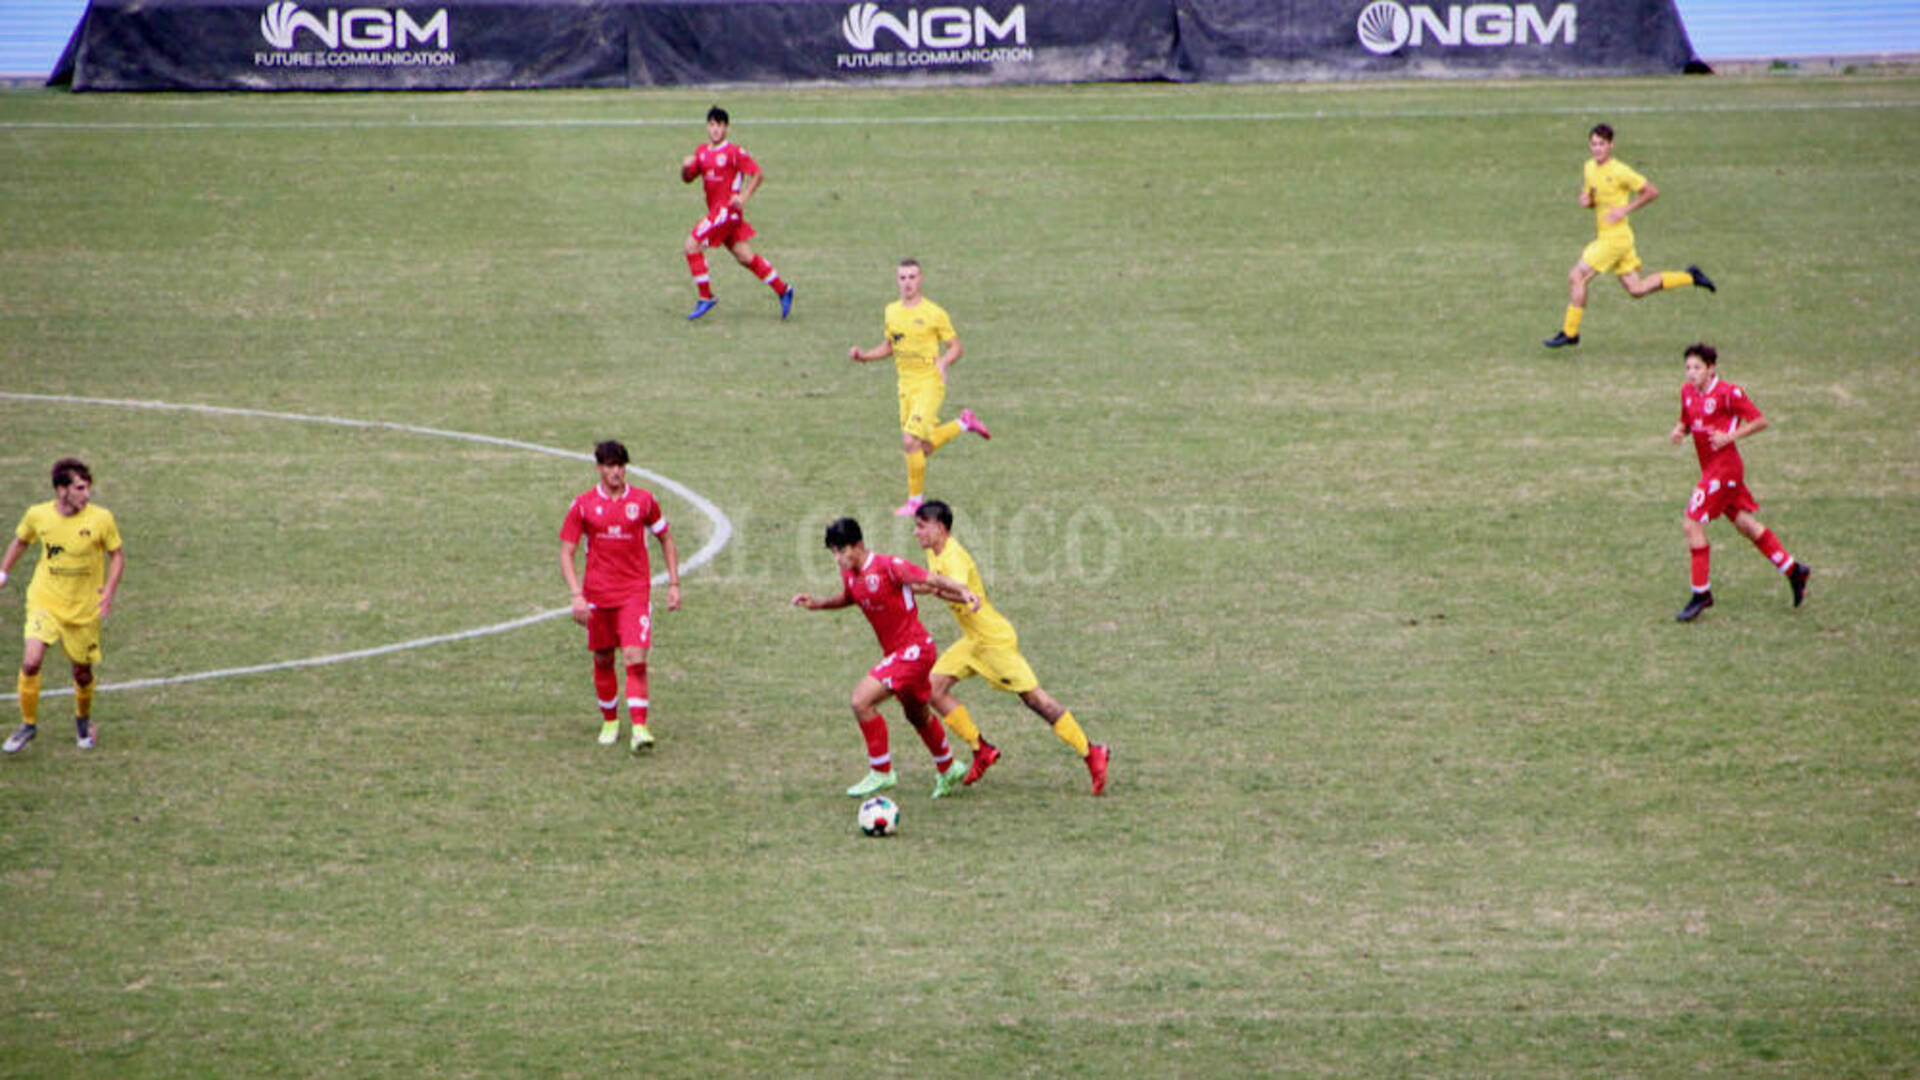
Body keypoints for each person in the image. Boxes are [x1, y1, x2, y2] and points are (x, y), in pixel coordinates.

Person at [912, 500, 1109, 795]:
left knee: (1035, 700)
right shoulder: (933, 552)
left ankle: (1091, 751)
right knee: (932, 688)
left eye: (921, 527)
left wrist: (955, 592)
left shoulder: (953, 558)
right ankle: (981, 750)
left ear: (940, 528)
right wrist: (907, 584)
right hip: (973, 641)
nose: (916, 533)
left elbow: (953, 585)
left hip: (993, 642)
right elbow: (935, 586)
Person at [791, 516, 980, 800]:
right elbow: (851, 596)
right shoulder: (850, 574)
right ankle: (948, 766)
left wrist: (963, 591)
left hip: (914, 650)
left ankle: (881, 771)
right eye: (833, 553)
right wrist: (818, 604)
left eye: (841, 551)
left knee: (861, 700)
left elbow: (931, 579)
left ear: (858, 545)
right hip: (898, 653)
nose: (838, 559)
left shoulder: (890, 566)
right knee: (917, 714)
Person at [1667, 344, 1810, 622]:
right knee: (1746, 525)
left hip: (1725, 469)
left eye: (1697, 368)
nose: (1691, 373)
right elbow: (1687, 421)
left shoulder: (1728, 393)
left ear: (1711, 369)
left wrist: (1730, 436)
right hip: (1711, 468)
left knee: (1691, 522)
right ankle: (1794, 570)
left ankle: (1701, 594)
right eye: (1688, 368)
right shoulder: (1687, 393)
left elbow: (1759, 421)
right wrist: (1679, 430)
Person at [1544, 123, 1715, 349]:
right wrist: (1587, 201)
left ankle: (1570, 331)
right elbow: (1591, 195)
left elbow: (1651, 191)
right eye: (1593, 144)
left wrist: (1625, 209)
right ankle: (1689, 276)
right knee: (1637, 289)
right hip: (1615, 238)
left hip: (1614, 239)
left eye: (1601, 144)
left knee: (1577, 275)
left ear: (1611, 145)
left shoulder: (1620, 171)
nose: (1597, 149)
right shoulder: (1589, 168)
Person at [559, 440, 682, 751]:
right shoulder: (583, 505)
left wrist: (674, 584)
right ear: (599, 468)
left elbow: (665, 538)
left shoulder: (643, 501)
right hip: (598, 594)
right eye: (610, 466)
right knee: (603, 658)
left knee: (634, 656)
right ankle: (610, 720)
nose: (616, 472)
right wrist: (576, 594)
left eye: (621, 466)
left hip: (634, 592)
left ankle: (640, 728)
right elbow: (567, 551)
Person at [849, 258, 992, 517]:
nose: (907, 282)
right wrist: (865, 356)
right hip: (905, 386)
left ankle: (915, 502)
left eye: (912, 277)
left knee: (909, 441)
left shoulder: (934, 313)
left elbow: (956, 347)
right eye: (902, 277)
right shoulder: (891, 311)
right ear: (897, 281)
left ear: (921, 279)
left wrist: (943, 363)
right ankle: (963, 423)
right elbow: (891, 346)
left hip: (929, 383)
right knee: (921, 448)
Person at [2, 458, 125, 754]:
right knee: (31, 662)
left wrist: (108, 591)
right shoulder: (38, 515)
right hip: (45, 601)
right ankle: (28, 725)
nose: (87, 494)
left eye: (87, 487)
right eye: (80, 488)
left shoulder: (101, 519)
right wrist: (4, 572)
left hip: (83, 610)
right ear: (62, 490)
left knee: (82, 673)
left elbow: (117, 556)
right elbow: (21, 541)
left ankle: (83, 720)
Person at [680, 105, 794, 322]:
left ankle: (706, 296)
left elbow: (758, 174)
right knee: (745, 257)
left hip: (727, 212)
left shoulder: (734, 152)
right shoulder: (702, 152)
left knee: (691, 245)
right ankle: (783, 289)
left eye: (719, 125)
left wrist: (743, 198)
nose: (715, 129)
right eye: (711, 125)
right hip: (718, 213)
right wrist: (685, 168)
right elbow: (688, 178)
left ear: (726, 128)